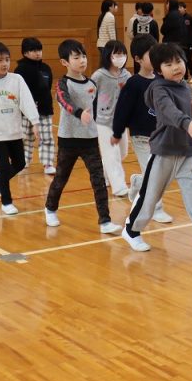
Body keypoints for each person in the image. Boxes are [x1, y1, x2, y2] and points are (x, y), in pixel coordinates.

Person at [121, 42, 192, 261]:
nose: (176, 67)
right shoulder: (158, 89)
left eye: (178, 61)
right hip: (163, 152)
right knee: (150, 197)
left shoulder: (185, 87)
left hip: (187, 153)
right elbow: (168, 110)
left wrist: (188, 130)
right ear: (159, 70)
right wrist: (186, 124)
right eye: (168, 64)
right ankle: (131, 230)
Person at [43, 40, 121, 235]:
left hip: (90, 139)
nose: (82, 60)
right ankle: (50, 209)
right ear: (65, 62)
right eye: (76, 57)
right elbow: (64, 100)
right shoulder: (63, 84)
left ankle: (105, 221)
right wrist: (80, 114)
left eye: (84, 56)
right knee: (61, 178)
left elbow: (97, 107)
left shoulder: (91, 84)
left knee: (98, 180)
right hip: (69, 140)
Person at [111, 35, 173, 224]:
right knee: (154, 174)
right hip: (141, 137)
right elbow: (122, 110)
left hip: (160, 136)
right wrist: (117, 132)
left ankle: (138, 182)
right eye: (150, 54)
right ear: (137, 59)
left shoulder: (162, 80)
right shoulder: (134, 83)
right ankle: (156, 208)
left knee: (160, 173)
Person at [0, 41, 40, 215]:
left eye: (7, 60)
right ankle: (6, 202)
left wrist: (35, 122)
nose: (4, 64)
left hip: (14, 132)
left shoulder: (16, 79)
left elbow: (26, 101)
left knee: (20, 163)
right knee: (3, 166)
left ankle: (1, 178)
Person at [91, 39, 131, 197]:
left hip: (121, 122)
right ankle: (119, 187)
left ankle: (104, 174)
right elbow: (90, 96)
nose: (120, 57)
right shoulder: (99, 75)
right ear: (108, 55)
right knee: (111, 155)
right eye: (117, 54)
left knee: (122, 153)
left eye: (122, 54)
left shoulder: (126, 75)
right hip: (103, 122)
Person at [14, 37, 56, 175]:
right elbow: (19, 91)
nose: (38, 53)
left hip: (44, 109)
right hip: (25, 111)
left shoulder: (46, 68)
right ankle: (23, 162)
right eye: (33, 50)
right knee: (25, 136)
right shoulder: (20, 69)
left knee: (46, 136)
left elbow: (48, 86)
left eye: (39, 50)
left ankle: (48, 163)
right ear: (25, 53)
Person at [180, 1, 192, 83]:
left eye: (180, 7)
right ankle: (185, 77)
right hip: (181, 43)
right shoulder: (179, 18)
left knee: (188, 59)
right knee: (183, 59)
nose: (179, 9)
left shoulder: (189, 18)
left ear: (185, 8)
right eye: (178, 8)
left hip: (189, 43)